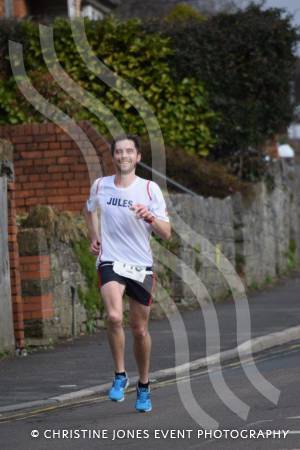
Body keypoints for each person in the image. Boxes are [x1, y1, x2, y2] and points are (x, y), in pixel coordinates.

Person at [83, 135, 171, 413]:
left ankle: (143, 385)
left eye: (129, 151)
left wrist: (149, 217)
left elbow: (167, 233)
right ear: (114, 156)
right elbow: (88, 211)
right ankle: (120, 375)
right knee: (113, 316)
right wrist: (94, 236)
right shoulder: (100, 185)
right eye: (119, 151)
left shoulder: (149, 189)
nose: (124, 156)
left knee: (140, 329)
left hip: (140, 265)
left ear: (138, 157)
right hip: (110, 260)